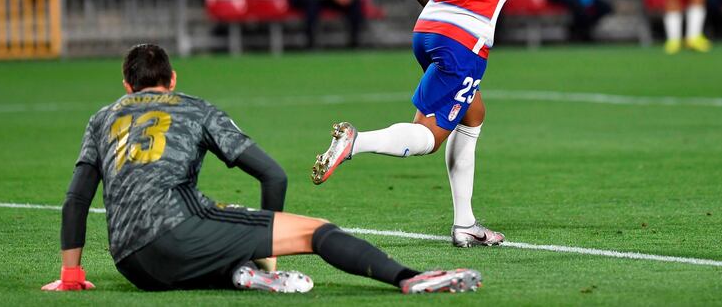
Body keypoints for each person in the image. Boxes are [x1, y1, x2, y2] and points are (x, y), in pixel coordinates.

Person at [311, 0, 647, 247]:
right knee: (428, 138)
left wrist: (443, 14)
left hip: (428, 28)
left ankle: (465, 224)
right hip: (463, 40)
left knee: (473, 114)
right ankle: (355, 142)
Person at [43, 44, 480, 294]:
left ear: (126, 85)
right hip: (178, 232)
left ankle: (240, 274)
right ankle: (409, 279)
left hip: (132, 264)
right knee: (317, 231)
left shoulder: (103, 117)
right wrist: (271, 245)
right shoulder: (195, 109)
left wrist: (71, 276)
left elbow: (77, 198)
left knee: (222, 218)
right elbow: (272, 174)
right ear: (172, 79)